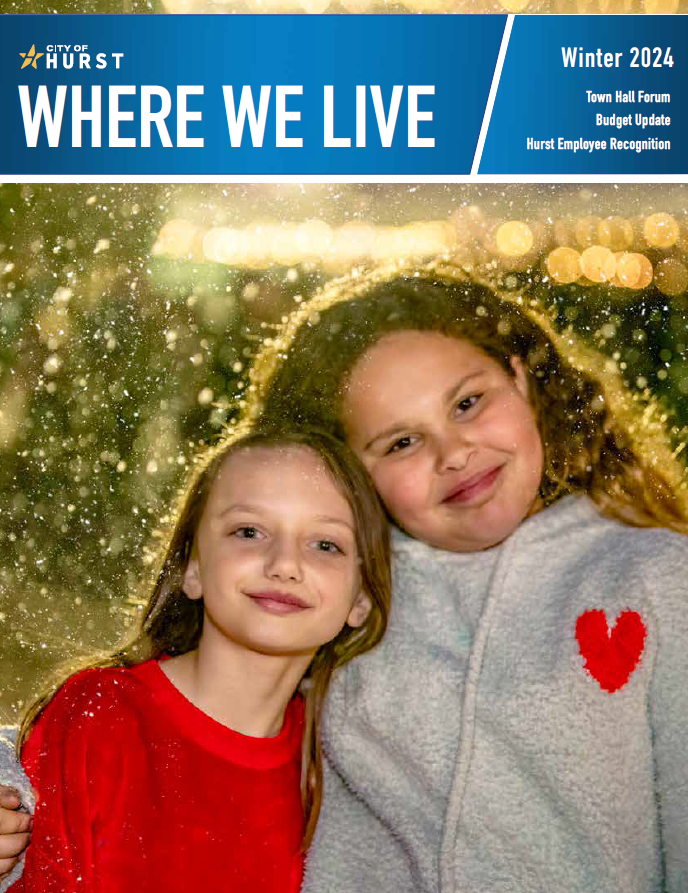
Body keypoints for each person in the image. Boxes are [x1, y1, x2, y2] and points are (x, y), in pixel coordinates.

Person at [2, 260, 688, 891]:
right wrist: (12, 788)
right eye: (401, 441)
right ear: (355, 478)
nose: (453, 452)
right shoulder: (345, 588)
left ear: (520, 375)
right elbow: (162, 718)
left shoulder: (658, 578)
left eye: (468, 402)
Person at [0, 426, 391, 892]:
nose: (285, 563)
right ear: (192, 568)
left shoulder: (338, 777)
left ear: (361, 597)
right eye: (249, 531)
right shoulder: (102, 712)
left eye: (325, 544)